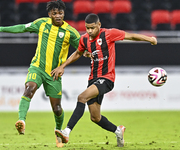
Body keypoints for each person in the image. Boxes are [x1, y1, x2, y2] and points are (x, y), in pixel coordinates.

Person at [51, 13, 157, 147]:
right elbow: (78, 52)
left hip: (107, 78)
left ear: (99, 25)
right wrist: (62, 66)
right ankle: (118, 131)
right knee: (95, 117)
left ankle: (66, 131)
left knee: (81, 97)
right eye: (87, 28)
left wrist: (150, 39)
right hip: (93, 79)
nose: (89, 31)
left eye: (92, 28)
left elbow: (131, 36)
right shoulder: (84, 39)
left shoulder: (109, 34)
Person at [0, 0, 80, 147]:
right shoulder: (41, 24)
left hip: (54, 74)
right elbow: (22, 28)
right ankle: (21, 121)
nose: (58, 16)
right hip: (37, 67)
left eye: (60, 13)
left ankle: (58, 130)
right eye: (55, 13)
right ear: (49, 14)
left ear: (64, 14)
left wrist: (64, 66)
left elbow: (81, 49)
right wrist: (0, 29)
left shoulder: (70, 32)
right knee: (29, 89)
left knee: (57, 109)